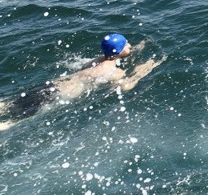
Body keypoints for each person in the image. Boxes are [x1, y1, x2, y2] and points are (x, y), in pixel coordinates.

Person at [0, 34, 160, 129]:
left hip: (51, 85)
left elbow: (113, 55)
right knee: (14, 121)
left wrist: (136, 48)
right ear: (118, 51)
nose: (130, 45)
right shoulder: (114, 72)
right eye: (127, 44)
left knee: (10, 103)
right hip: (56, 96)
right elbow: (126, 87)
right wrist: (143, 70)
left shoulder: (95, 61)